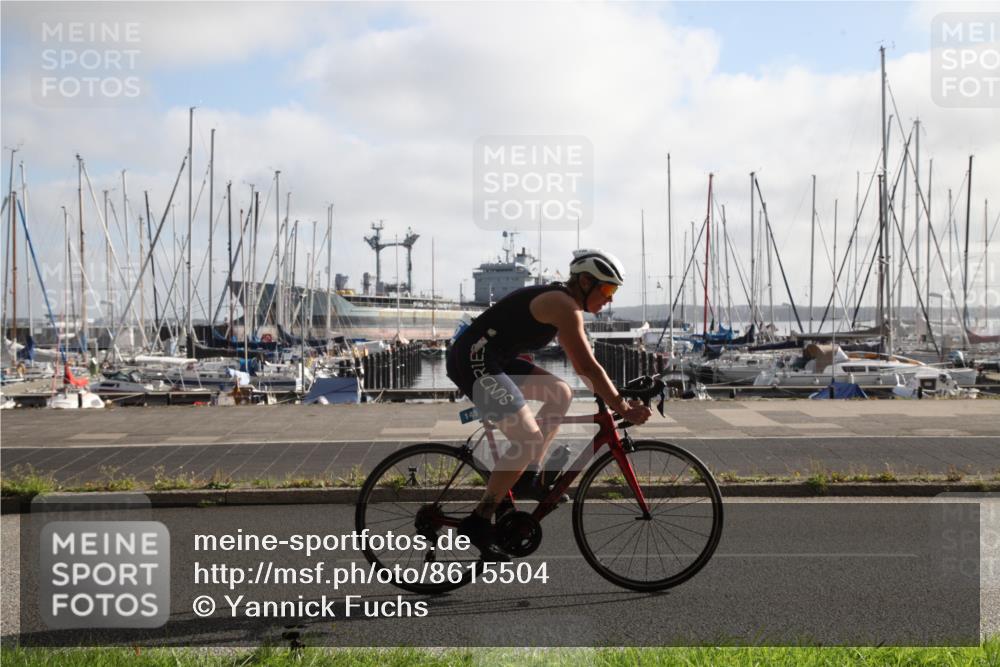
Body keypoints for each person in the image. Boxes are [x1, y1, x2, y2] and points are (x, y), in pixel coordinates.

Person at [446, 248, 652, 559]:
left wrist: (614, 395)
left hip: (493, 359)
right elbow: (586, 367)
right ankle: (478, 521)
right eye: (607, 289)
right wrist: (622, 406)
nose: (609, 298)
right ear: (584, 282)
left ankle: (529, 476)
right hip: (473, 358)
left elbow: (585, 371)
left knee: (560, 392)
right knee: (527, 437)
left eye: (614, 291)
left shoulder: (565, 303)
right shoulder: (562, 305)